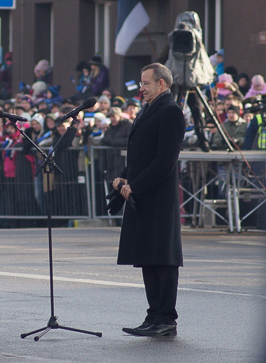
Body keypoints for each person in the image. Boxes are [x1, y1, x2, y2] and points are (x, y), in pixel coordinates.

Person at [113, 63, 185, 337]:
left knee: (163, 258)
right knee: (147, 257)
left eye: (146, 83)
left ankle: (166, 317)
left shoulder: (170, 111)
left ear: (161, 85)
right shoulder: (148, 110)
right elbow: (140, 154)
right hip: (142, 194)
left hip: (157, 197)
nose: (141, 88)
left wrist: (136, 186)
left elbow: (165, 160)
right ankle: (153, 314)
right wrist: (123, 179)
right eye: (141, 83)